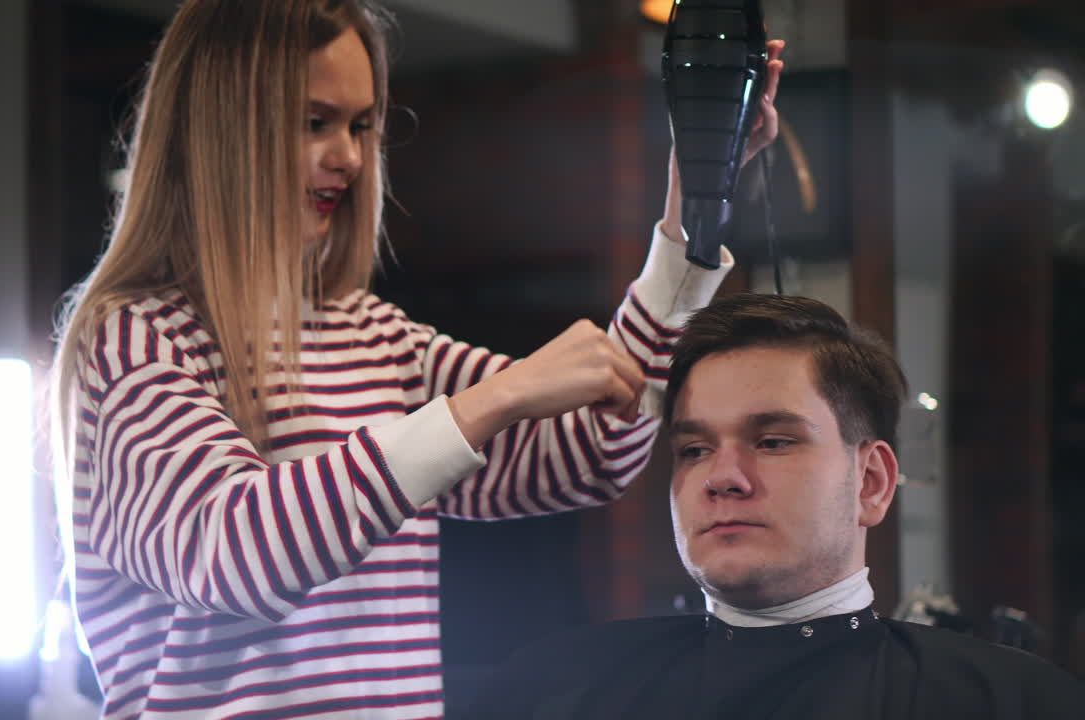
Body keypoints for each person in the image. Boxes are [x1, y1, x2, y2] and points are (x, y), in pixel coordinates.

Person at [48, 1, 784, 718]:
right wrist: (488, 401)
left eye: (361, 126)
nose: (348, 156)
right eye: (314, 122)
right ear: (219, 131)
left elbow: (592, 448)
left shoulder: (375, 336)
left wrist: (690, 213)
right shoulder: (136, 338)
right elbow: (232, 552)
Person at [462, 293, 1085, 719]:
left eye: (774, 441)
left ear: (871, 482)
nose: (722, 477)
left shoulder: (1013, 704)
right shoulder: (554, 693)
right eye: (695, 448)